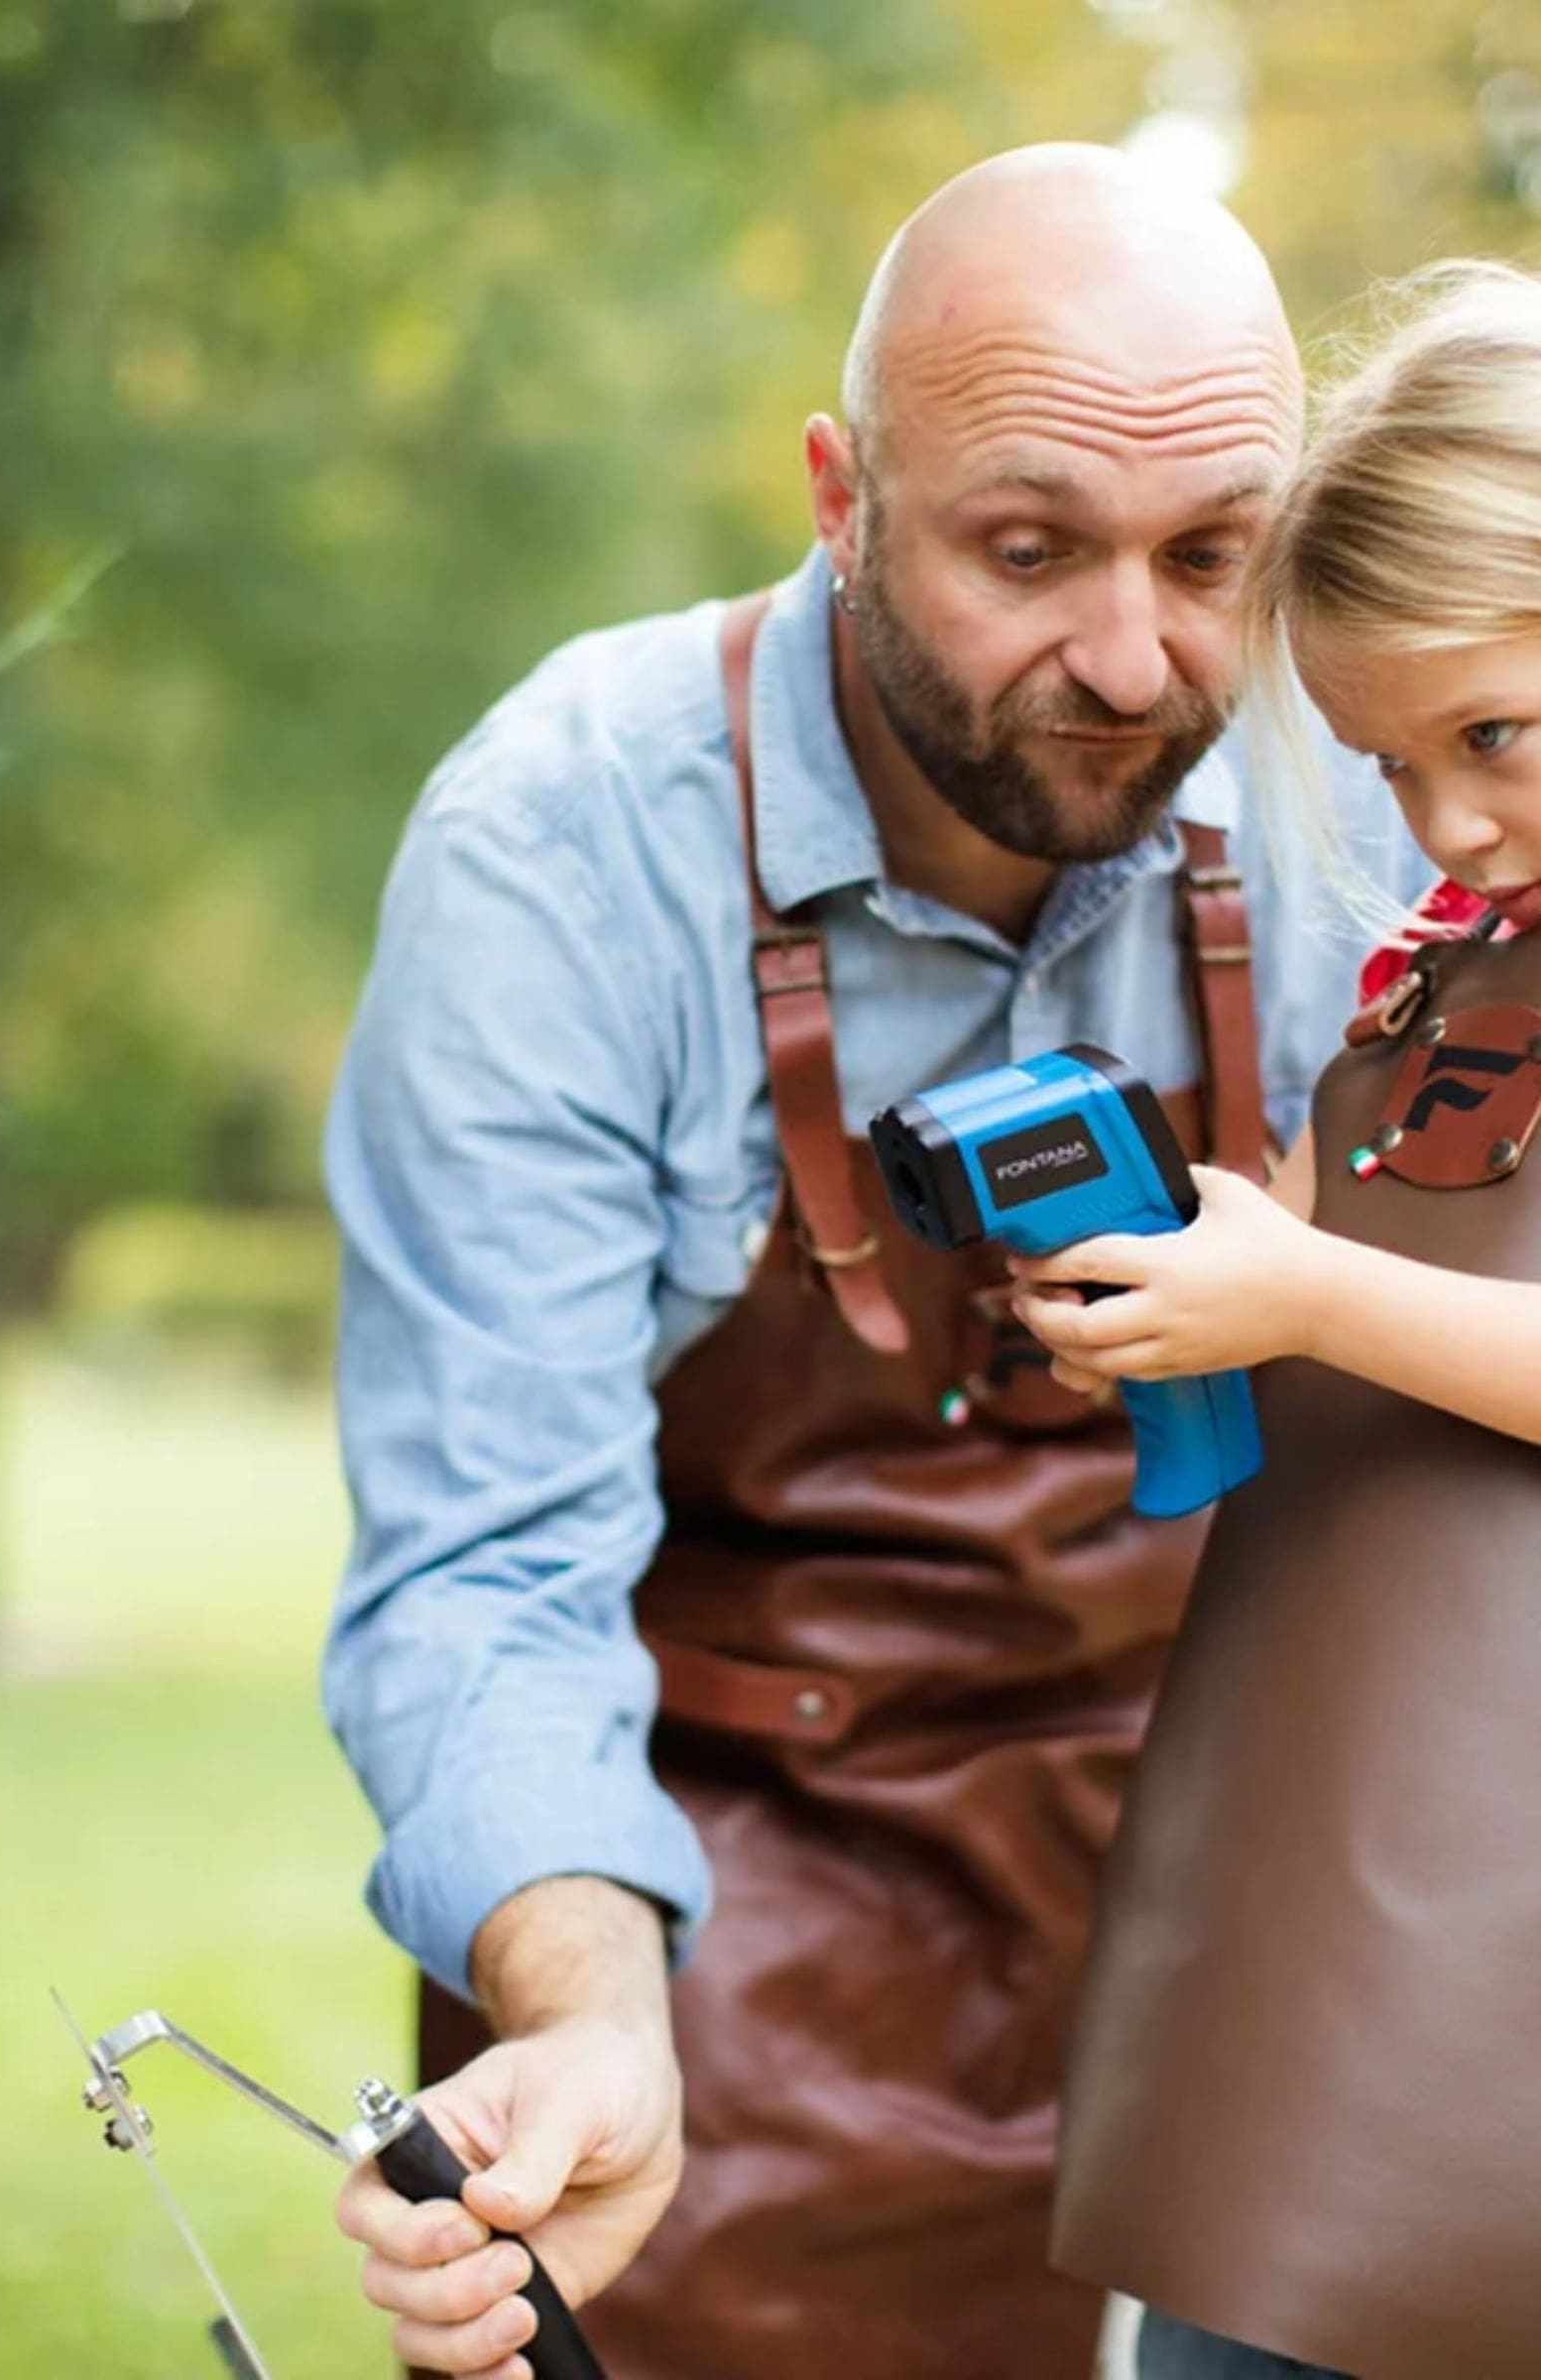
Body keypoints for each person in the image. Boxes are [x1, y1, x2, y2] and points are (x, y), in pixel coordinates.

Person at [320, 142, 1429, 2380]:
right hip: (734, 1883)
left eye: (1215, 556)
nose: (1135, 661)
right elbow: (489, 1565)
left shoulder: (1382, 773)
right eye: (1028, 552)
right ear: (842, 494)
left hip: (1267, 1851)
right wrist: (589, 2011)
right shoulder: (558, 847)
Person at [1031, 260, 1541, 2380]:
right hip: (1345, 1871)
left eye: (1498, 735)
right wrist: (1224, 1284)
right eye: (1386, 764)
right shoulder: (1458, 958)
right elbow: (1384, 1285)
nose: (1446, 823)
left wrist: (1315, 1282)